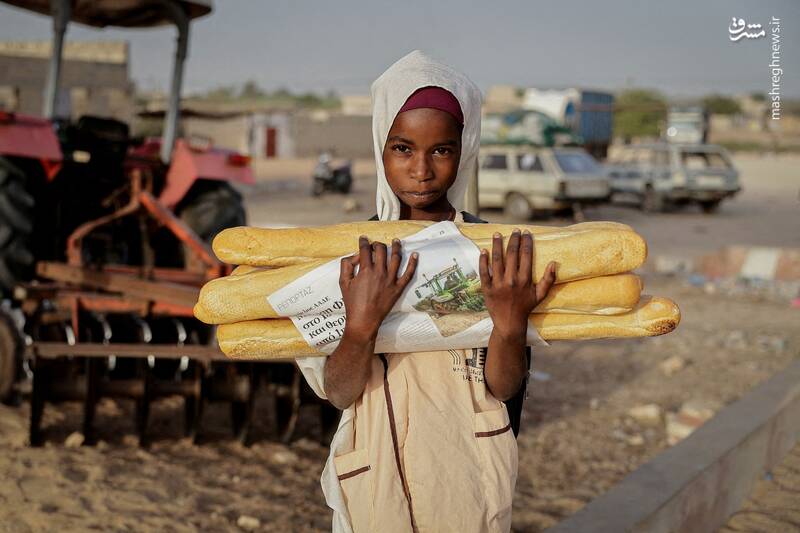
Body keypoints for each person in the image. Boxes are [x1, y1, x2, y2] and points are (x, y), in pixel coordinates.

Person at [297, 50, 557, 533]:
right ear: (380, 147)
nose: (421, 169)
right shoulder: (352, 259)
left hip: (468, 475)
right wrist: (360, 327)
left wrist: (508, 325)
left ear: (466, 149)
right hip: (376, 476)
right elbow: (338, 392)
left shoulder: (489, 254)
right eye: (402, 148)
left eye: (441, 150)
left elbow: (504, 387)